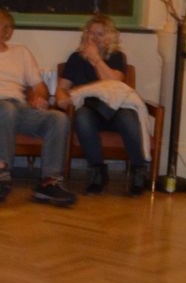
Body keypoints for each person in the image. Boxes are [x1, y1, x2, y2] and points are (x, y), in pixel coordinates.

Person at [0, 6, 76, 206]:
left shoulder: (21, 52)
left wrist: (39, 97)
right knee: (5, 109)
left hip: (19, 109)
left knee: (59, 118)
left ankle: (49, 182)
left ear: (7, 31)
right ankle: (0, 173)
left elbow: (39, 86)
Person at [57, 13, 151, 197]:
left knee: (128, 117)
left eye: (100, 34)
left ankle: (139, 171)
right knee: (82, 116)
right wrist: (61, 98)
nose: (94, 38)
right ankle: (97, 173)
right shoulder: (76, 58)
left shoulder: (117, 57)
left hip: (116, 109)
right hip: (90, 110)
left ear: (109, 37)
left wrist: (96, 59)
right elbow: (62, 87)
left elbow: (114, 83)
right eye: (91, 33)